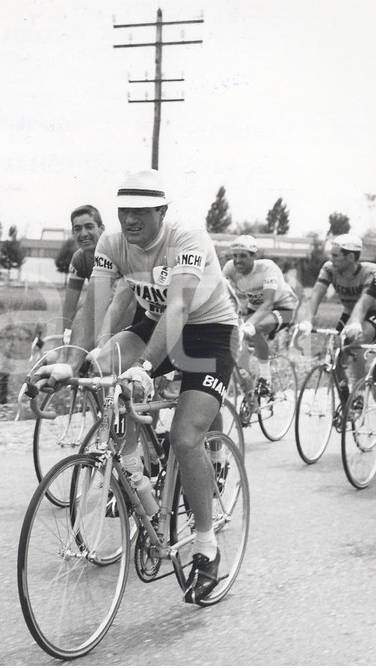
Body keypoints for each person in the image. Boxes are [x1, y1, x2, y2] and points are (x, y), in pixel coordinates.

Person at [33, 168, 238, 604]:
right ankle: (133, 471)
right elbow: (95, 303)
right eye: (123, 211)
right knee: (98, 369)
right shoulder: (111, 244)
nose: (129, 221)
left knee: (186, 438)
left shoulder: (188, 238)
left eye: (140, 213)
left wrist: (145, 366)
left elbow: (180, 305)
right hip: (153, 325)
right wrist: (72, 363)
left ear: (162, 211)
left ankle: (205, 546)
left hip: (207, 333)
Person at [298, 234, 376, 397]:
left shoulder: (370, 271)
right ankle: (345, 400)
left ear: (349, 257)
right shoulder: (329, 268)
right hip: (349, 313)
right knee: (334, 355)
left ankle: (360, 392)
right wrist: (308, 319)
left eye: (335, 255)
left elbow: (364, 302)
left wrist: (355, 325)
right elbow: (316, 295)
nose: (330, 259)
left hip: (375, 312)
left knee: (355, 341)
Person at [222, 235, 299, 396]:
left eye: (243, 256)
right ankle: (249, 392)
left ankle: (266, 378)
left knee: (255, 328)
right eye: (234, 256)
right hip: (255, 307)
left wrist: (249, 325)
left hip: (283, 307)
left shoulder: (267, 268)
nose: (237, 260)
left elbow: (268, 304)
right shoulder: (230, 268)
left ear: (254, 256)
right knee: (237, 341)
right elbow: (222, 297)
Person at [60, 205, 105, 333]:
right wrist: (65, 340)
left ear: (102, 229)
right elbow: (70, 305)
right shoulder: (79, 259)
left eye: (89, 227)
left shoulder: (116, 250)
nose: (84, 234)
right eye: (77, 229)